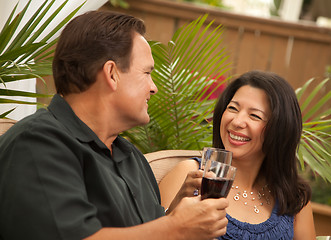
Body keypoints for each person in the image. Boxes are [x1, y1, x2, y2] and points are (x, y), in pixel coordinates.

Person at [0, 11, 229, 240]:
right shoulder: (37, 143)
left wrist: (174, 215)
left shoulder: (130, 156)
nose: (154, 87)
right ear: (112, 74)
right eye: (147, 73)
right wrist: (175, 228)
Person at [159, 70, 317, 239]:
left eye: (255, 115)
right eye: (233, 108)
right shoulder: (192, 176)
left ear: (279, 130)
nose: (237, 121)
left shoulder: (294, 198)